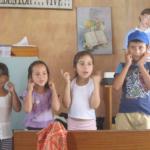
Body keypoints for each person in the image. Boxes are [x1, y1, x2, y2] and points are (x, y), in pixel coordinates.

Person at [113, 30, 150, 130]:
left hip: (146, 114)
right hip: (125, 113)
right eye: (133, 47)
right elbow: (116, 87)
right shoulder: (122, 66)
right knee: (124, 143)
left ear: (147, 48)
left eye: (140, 47)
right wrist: (127, 65)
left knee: (145, 144)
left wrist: (141, 66)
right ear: (128, 49)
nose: (137, 51)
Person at [61, 51, 101, 130]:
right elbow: (66, 104)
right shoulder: (71, 83)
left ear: (93, 67)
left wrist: (96, 84)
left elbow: (94, 105)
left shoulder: (93, 83)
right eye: (82, 64)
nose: (86, 67)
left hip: (90, 124)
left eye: (89, 64)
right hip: (72, 123)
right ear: (75, 67)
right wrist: (67, 83)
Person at [22, 60, 60, 130]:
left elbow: (56, 108)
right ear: (31, 77)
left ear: (48, 75)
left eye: (44, 73)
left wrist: (53, 90)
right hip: (32, 126)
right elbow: (27, 110)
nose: (41, 77)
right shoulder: (29, 92)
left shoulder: (50, 91)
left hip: (48, 127)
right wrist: (30, 91)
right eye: (37, 74)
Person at [0, 63, 21, 150]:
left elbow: (17, 108)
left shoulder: (10, 94)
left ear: (7, 78)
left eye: (2, 76)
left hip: (6, 135)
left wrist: (13, 92)